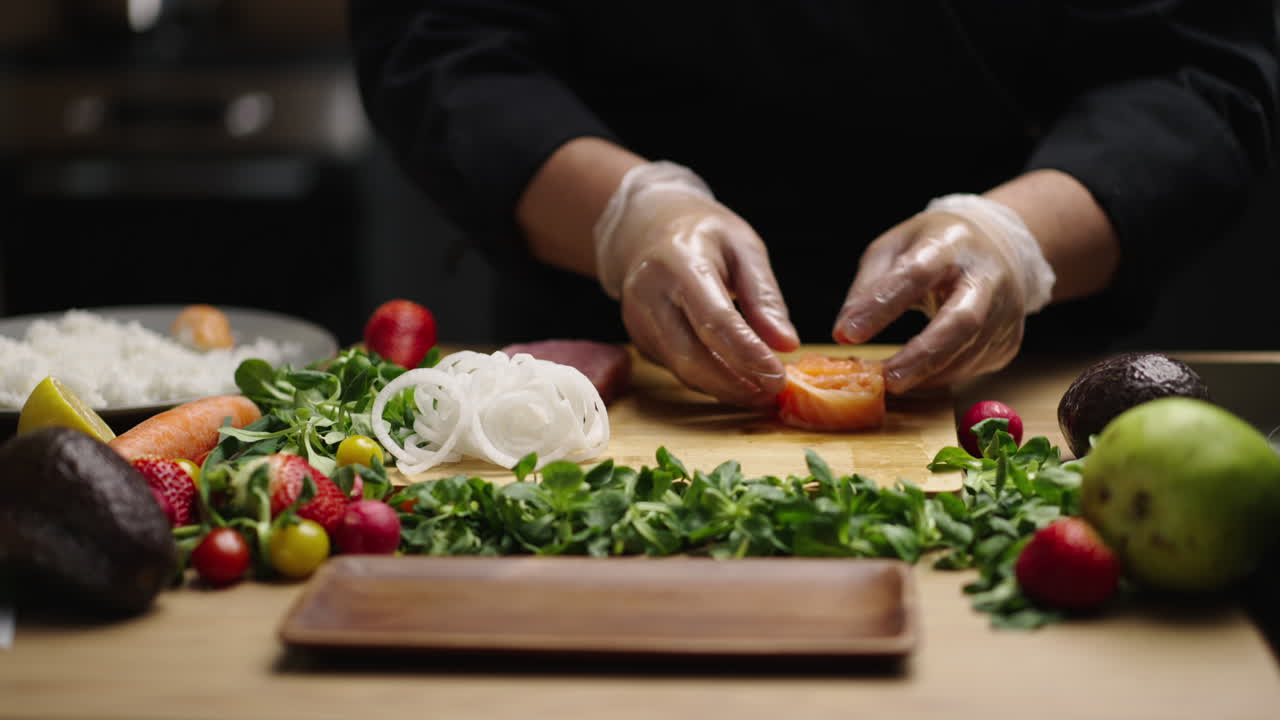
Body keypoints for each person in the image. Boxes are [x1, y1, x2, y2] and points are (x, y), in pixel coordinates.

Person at [347, 1, 1279, 408]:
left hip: (1029, 386)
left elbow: (1196, 68)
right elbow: (439, 36)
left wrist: (1017, 238)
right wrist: (625, 211)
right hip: (595, 377)